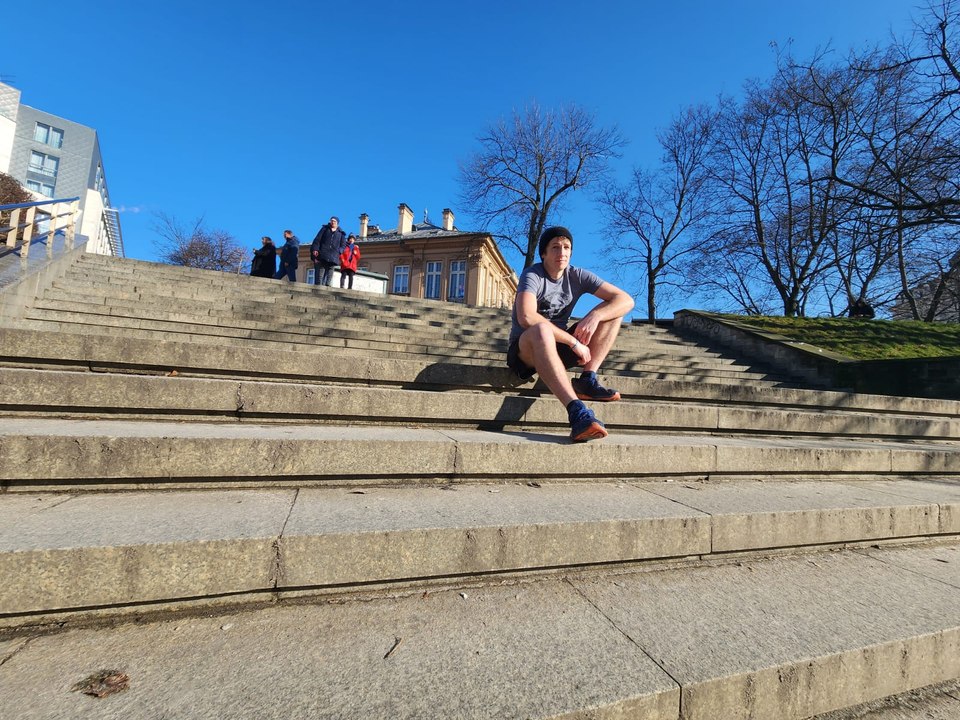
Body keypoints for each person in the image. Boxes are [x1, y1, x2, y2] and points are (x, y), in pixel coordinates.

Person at [507, 226, 634, 443]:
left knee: (612, 313)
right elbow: (526, 317)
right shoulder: (533, 274)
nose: (562, 253)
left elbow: (626, 300)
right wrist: (573, 341)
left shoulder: (577, 275)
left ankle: (587, 379)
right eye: (555, 247)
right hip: (524, 352)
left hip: (556, 348)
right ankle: (577, 412)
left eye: (567, 247)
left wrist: (593, 317)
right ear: (544, 254)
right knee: (541, 328)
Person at [311, 216, 347, 286]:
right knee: (322, 269)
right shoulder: (325, 229)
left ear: (337, 223)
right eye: (331, 221)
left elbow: (343, 245)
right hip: (323, 253)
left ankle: (328, 284)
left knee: (330, 270)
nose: (332, 222)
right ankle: (319, 285)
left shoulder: (341, 233)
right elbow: (317, 239)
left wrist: (340, 251)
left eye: (334, 221)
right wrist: (315, 249)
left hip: (334, 255)